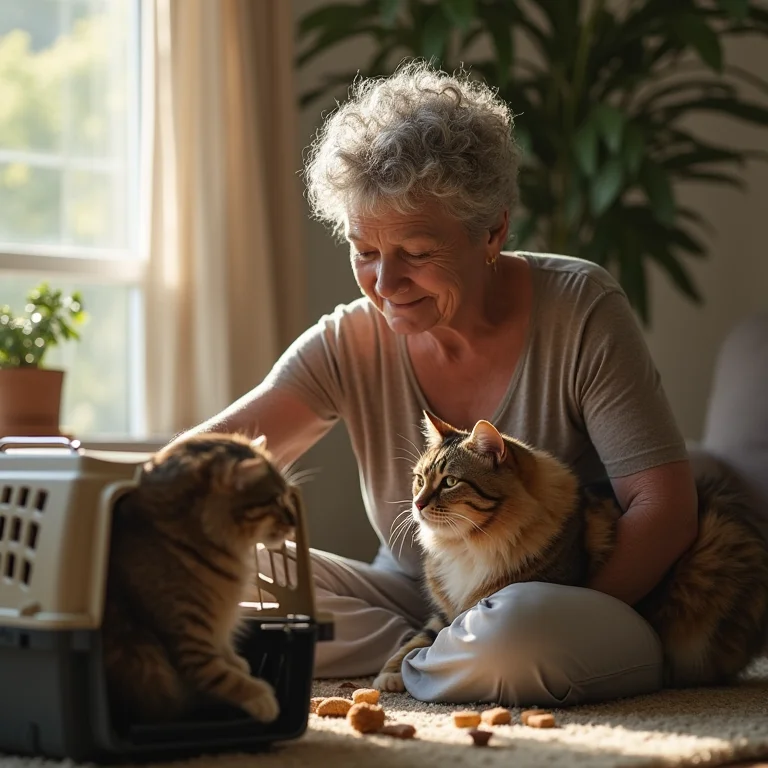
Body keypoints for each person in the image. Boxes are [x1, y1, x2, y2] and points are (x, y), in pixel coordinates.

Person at [181, 62, 698, 706]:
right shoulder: (350, 337)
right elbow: (200, 467)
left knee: (519, 633)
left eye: (418, 254)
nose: (384, 285)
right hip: (414, 598)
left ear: (493, 233)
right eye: (363, 251)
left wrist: (576, 617)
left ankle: (444, 655)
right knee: (217, 576)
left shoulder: (580, 306)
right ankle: (433, 654)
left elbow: (665, 510)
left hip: (571, 596)